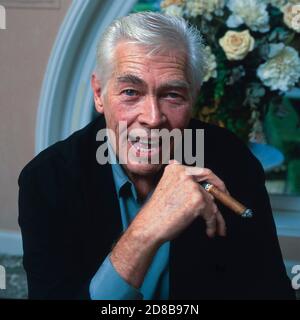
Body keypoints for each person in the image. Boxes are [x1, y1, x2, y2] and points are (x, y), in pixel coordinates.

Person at [18, 12, 295, 300]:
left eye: (173, 95)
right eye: (130, 92)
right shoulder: (46, 179)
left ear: (193, 98)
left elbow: (271, 291)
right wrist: (147, 229)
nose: (152, 118)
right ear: (99, 94)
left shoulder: (232, 161)